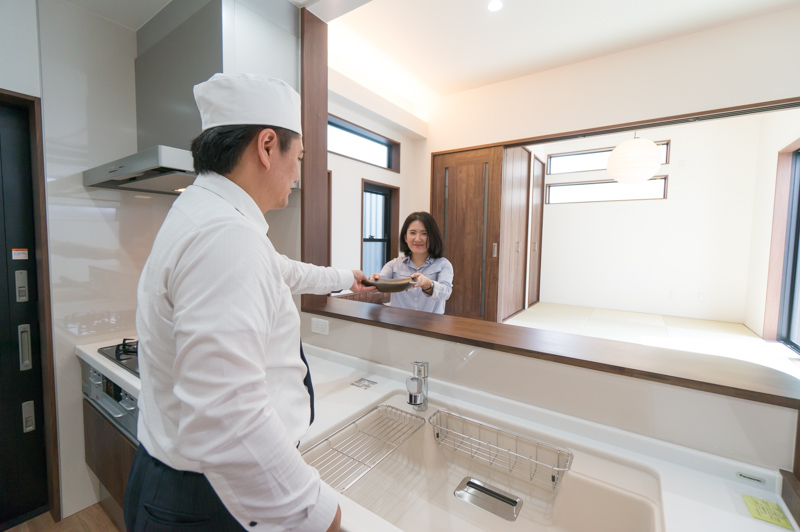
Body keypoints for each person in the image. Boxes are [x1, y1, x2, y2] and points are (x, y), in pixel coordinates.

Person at [124, 73, 374, 532]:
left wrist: (345, 279)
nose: (297, 174)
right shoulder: (226, 235)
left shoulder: (208, 214)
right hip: (209, 498)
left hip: (184, 485)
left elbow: (281, 270)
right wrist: (321, 514)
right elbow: (228, 416)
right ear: (267, 146)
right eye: (298, 158)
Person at [370, 211, 453, 314]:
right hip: (398, 323)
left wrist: (427, 284)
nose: (417, 239)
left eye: (424, 233)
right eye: (413, 233)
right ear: (405, 237)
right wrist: (374, 280)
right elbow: (378, 284)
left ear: (432, 237)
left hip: (432, 323)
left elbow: (446, 293)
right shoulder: (394, 265)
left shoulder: (443, 264)